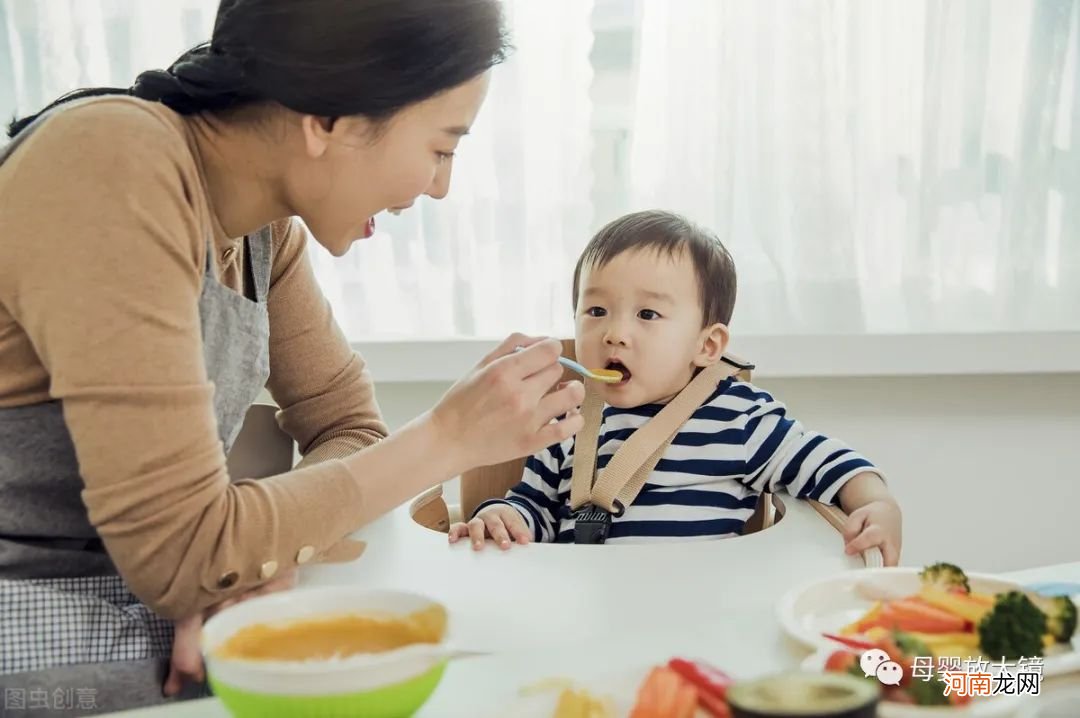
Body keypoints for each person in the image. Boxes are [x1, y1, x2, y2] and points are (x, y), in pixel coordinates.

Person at [0, 0, 586, 712]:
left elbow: (349, 427)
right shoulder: (111, 161)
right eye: (442, 147)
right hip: (32, 625)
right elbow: (189, 554)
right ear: (329, 119)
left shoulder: (262, 234)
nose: (440, 186)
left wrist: (249, 560)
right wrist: (449, 438)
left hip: (148, 611)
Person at [449, 210, 902, 563]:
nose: (615, 333)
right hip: (584, 619)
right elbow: (536, 509)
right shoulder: (565, 421)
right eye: (596, 312)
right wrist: (504, 517)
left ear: (707, 345)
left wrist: (877, 504)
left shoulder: (739, 419)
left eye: (647, 315)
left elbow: (831, 463)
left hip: (697, 618)